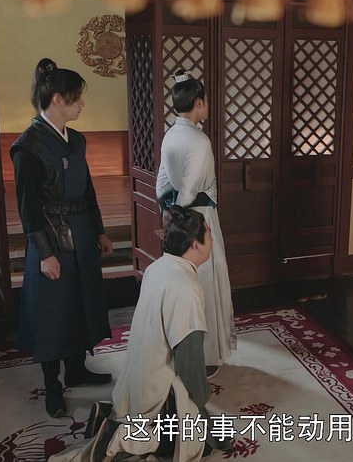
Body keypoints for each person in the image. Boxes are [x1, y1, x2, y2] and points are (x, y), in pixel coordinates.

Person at [50, 206, 232, 462]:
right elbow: (188, 362)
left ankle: (114, 424)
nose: (212, 240)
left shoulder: (158, 267)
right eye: (209, 235)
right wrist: (201, 398)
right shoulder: (185, 287)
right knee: (202, 442)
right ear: (195, 244)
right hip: (157, 388)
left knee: (215, 431)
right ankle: (119, 440)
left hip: (134, 381)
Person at [10, 58, 113, 419]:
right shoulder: (28, 146)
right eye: (76, 97)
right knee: (52, 312)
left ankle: (78, 369)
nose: (82, 104)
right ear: (57, 99)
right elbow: (28, 209)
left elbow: (88, 189)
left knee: (80, 301)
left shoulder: (77, 140)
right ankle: (52, 386)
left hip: (81, 231)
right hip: (51, 239)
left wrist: (99, 229)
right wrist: (44, 254)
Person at [156, 69, 235, 376]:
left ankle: (183, 351)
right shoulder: (199, 140)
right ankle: (206, 355)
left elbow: (163, 179)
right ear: (199, 102)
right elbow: (190, 188)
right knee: (205, 281)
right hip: (197, 216)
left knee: (184, 282)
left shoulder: (170, 134)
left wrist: (167, 210)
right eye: (206, 101)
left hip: (178, 215)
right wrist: (181, 211)